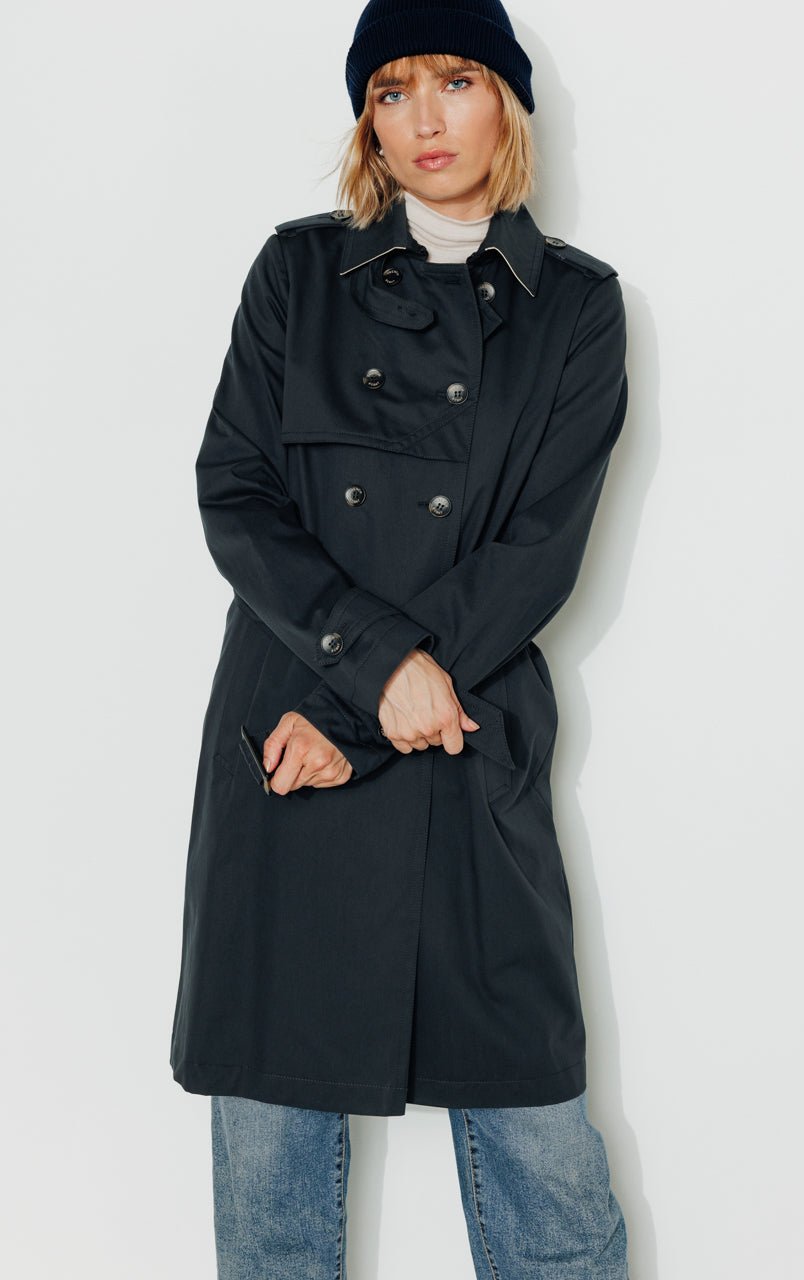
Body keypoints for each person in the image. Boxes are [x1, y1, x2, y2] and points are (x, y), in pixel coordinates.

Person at [169, 0, 631, 1275]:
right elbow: (236, 493)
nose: (424, 117)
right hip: (286, 748)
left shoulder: (576, 307)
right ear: (365, 120)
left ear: (508, 102)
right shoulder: (295, 275)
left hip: (460, 744)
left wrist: (359, 714)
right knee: (271, 1192)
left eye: (456, 79)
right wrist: (371, 671)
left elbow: (534, 555)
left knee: (545, 1170)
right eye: (390, 90)